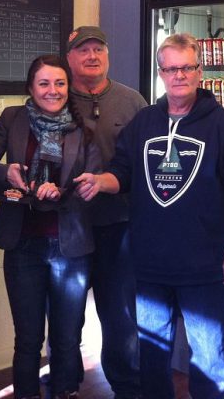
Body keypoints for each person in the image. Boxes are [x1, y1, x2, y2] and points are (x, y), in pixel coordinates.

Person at [75, 33, 224, 398]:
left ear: (200, 71)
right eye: (171, 69)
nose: (179, 76)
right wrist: (100, 181)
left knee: (208, 361)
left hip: (204, 266)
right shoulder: (145, 121)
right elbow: (123, 171)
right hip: (149, 265)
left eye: (187, 67)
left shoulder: (223, 126)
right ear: (161, 73)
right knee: (152, 359)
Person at [0, 55, 101, 399]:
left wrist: (61, 191)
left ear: (69, 86)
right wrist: (7, 173)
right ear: (31, 88)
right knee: (28, 338)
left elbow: (89, 187)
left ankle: (65, 392)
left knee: (66, 337)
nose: (53, 91)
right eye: (44, 83)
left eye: (60, 83)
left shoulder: (84, 128)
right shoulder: (12, 118)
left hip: (70, 247)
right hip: (22, 243)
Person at [66, 25, 146, 399]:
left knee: (122, 319)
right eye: (84, 50)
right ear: (70, 58)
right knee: (66, 318)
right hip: (67, 229)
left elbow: (149, 164)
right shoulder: (55, 96)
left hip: (120, 228)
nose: (92, 56)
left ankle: (127, 389)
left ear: (108, 55)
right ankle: (64, 387)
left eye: (99, 49)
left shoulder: (133, 101)